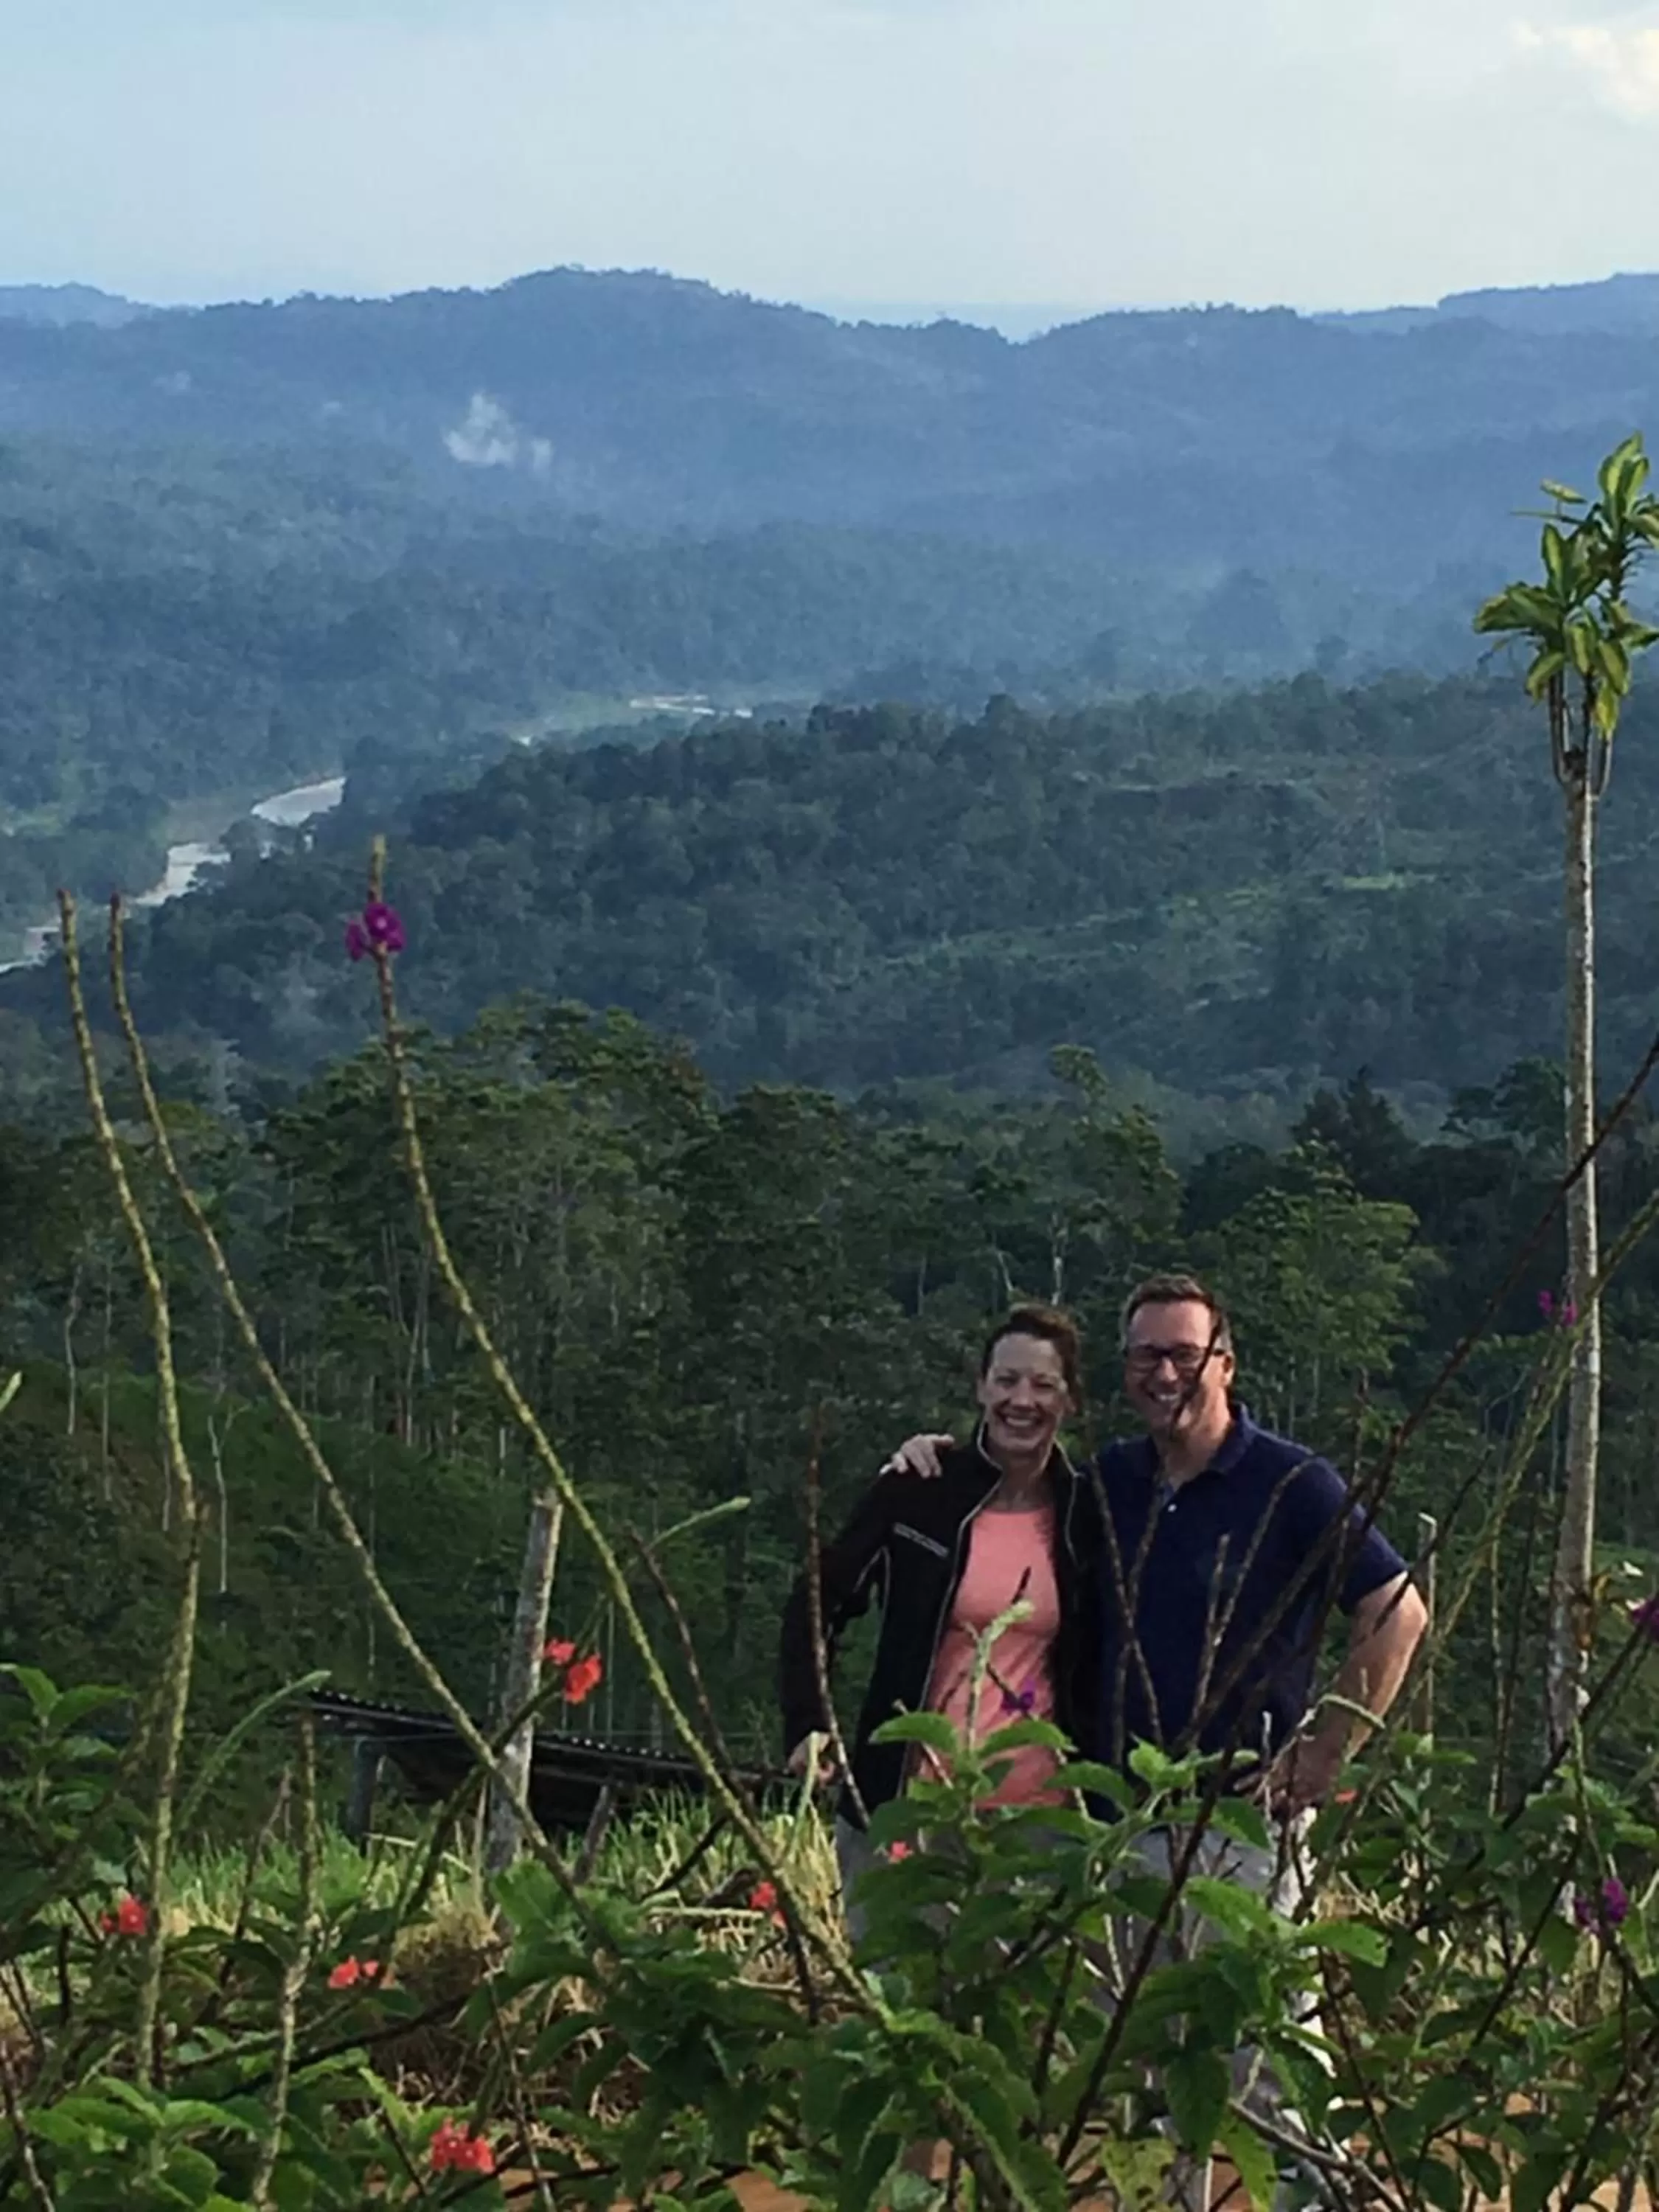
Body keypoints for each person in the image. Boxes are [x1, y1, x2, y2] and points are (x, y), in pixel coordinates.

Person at [885, 1273, 1428, 2206]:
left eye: (1184, 1353)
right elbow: (1010, 1494)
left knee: (1267, 2063)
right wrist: (938, 1455)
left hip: (1238, 1826)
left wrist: (1327, 1750)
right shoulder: (1110, 1484)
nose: (1164, 1373)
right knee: (1140, 2072)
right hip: (1120, 1822)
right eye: (1145, 1356)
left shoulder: (1290, 1484)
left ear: (1226, 1362)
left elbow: (1397, 1610)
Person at [776, 1304, 1103, 1937]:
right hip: (908, 1807)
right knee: (895, 1986)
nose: (1022, 1401)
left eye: (1043, 1384)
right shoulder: (920, 1489)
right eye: (1006, 1380)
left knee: (1025, 1997)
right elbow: (817, 1603)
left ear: (1070, 1400)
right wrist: (809, 1722)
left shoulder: (1089, 1512)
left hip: (1042, 1821)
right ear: (981, 1387)